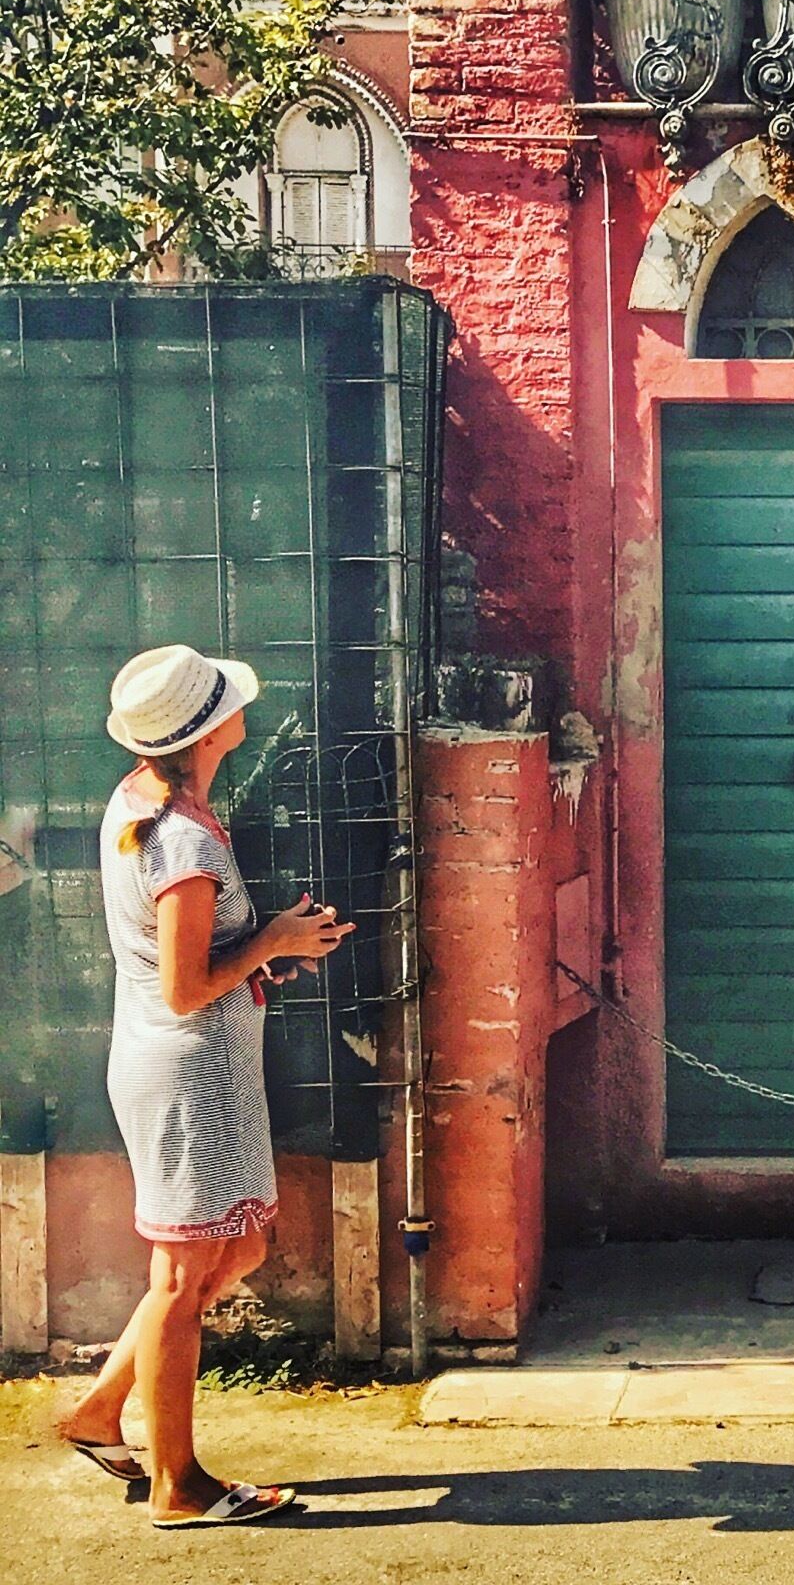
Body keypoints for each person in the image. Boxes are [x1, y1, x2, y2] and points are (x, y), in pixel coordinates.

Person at [54, 645, 351, 1529]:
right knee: (185, 1278)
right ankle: (180, 1487)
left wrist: (264, 952)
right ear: (211, 730)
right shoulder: (181, 839)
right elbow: (185, 988)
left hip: (192, 1067)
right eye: (229, 700)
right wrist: (271, 945)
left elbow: (178, 962)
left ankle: (99, 1410)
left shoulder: (143, 804)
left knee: (241, 1250)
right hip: (194, 1078)